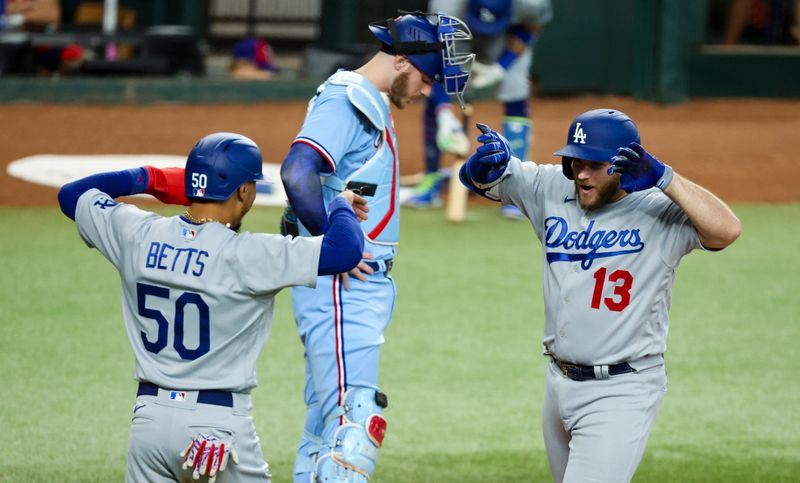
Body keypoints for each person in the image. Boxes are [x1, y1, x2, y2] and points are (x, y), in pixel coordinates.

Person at [56, 132, 367, 483]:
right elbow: (345, 249)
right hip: (216, 428)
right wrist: (340, 203)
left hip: (149, 424)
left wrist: (150, 178)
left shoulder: (136, 233)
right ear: (244, 192)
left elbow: (71, 195)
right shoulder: (250, 254)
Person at [459, 109, 741, 482]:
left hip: (621, 390)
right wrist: (482, 165)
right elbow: (482, 179)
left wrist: (665, 178)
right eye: (575, 161)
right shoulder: (551, 189)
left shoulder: (660, 212)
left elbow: (727, 230)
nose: (580, 173)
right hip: (557, 384)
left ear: (624, 164)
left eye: (594, 164)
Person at [279, 11, 474, 483]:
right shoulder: (349, 101)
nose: (429, 91)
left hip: (351, 290)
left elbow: (315, 183)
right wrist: (332, 241)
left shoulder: (367, 99)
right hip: (341, 289)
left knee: (327, 428)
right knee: (354, 425)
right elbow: (296, 172)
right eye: (428, 79)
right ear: (402, 61)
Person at [404, 0, 552, 221]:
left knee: (515, 89)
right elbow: (435, 57)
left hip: (507, 35)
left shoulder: (531, 4)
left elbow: (533, 27)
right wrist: (445, 112)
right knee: (434, 92)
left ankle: (518, 188)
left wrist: (502, 66)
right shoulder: (446, 5)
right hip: (457, 30)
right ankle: (431, 178)